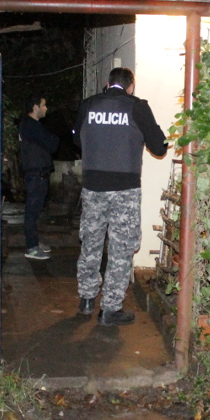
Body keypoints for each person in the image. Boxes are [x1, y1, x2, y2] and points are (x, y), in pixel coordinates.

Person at [73, 67, 168, 326]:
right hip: (125, 189)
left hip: (93, 186)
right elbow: (159, 147)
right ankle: (110, 309)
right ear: (131, 86)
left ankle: (86, 299)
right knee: (121, 248)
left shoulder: (89, 105)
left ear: (108, 83)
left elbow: (77, 140)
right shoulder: (137, 107)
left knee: (91, 243)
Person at [19, 95, 59, 260]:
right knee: (32, 210)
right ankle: (31, 247)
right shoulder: (31, 125)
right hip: (35, 174)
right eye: (43, 105)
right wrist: (53, 139)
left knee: (35, 211)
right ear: (35, 107)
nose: (46, 108)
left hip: (38, 173)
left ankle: (34, 242)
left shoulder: (32, 125)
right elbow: (52, 143)